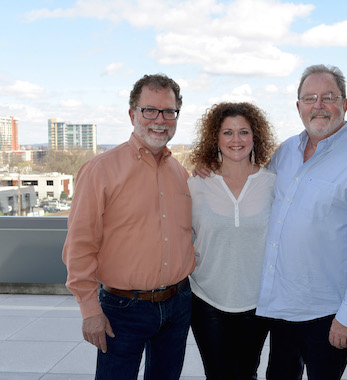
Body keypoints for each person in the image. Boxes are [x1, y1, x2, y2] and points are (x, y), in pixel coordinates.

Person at [255, 64, 347, 380]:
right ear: (298, 106)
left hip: (328, 314)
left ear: (344, 105)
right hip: (281, 307)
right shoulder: (287, 150)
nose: (318, 105)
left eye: (328, 97)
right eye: (309, 98)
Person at [62, 74, 195, 379]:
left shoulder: (181, 173)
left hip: (178, 305)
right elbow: (80, 245)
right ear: (132, 113)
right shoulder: (101, 170)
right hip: (122, 310)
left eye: (168, 111)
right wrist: (89, 310)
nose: (159, 120)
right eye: (150, 110)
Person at [187, 102, 277, 379]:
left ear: (255, 137)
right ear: (215, 138)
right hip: (206, 299)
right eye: (227, 133)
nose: (236, 140)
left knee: (247, 372)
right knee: (217, 373)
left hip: (257, 301)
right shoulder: (196, 185)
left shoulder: (274, 183)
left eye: (243, 132)